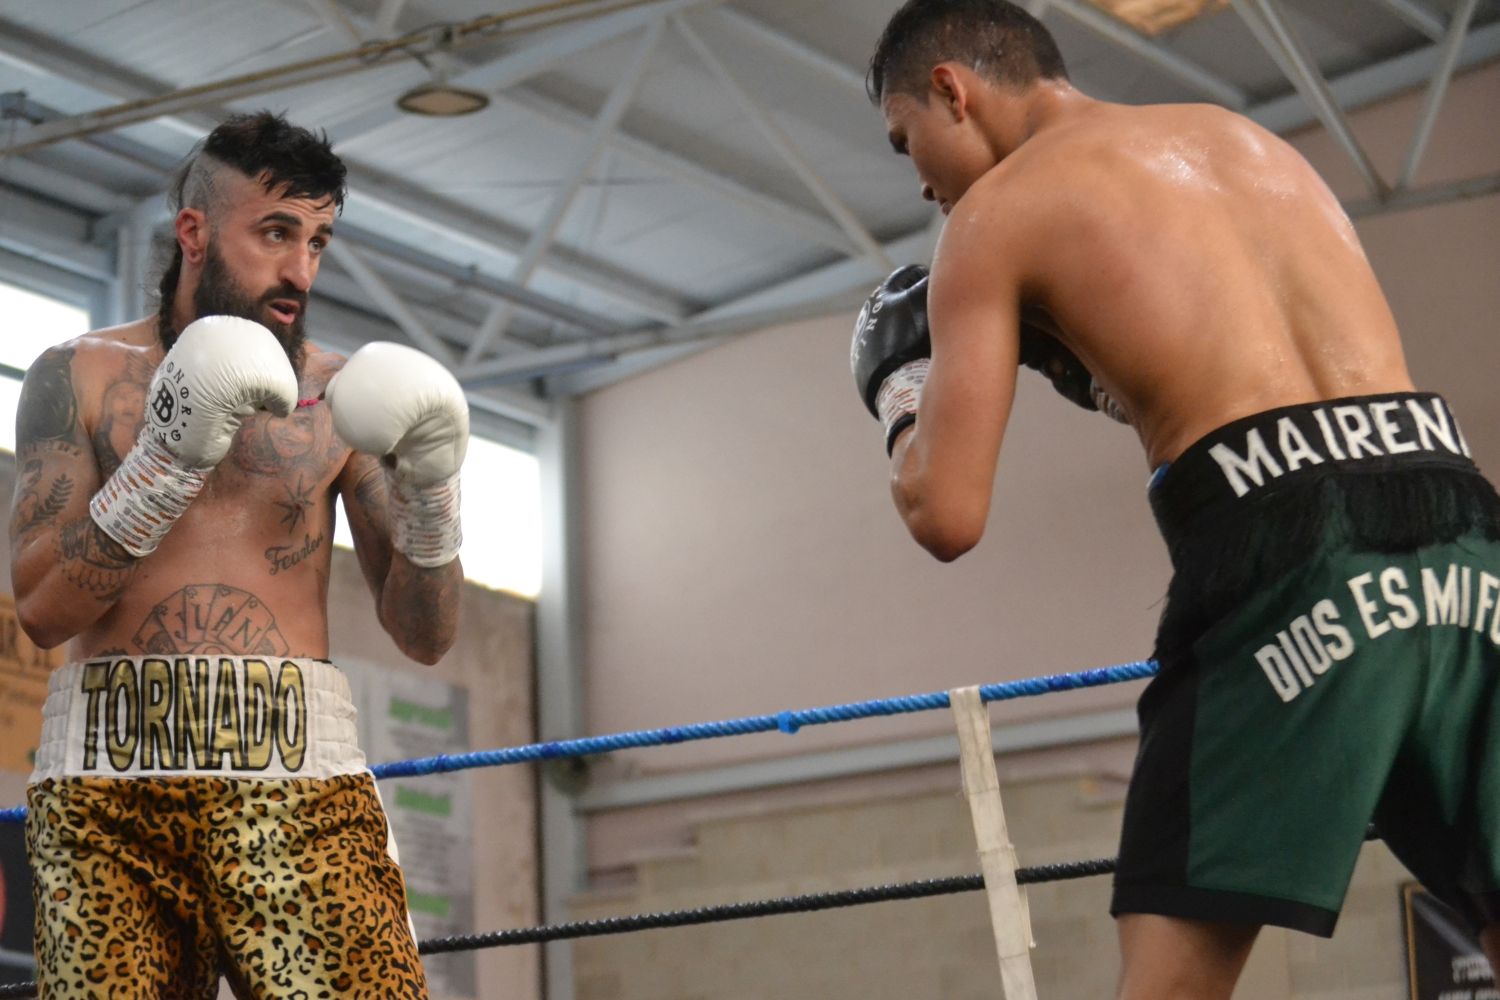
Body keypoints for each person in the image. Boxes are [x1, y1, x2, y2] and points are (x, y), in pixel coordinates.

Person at [849, 2, 1500, 996]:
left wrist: (899, 391)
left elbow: (947, 514)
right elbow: (1266, 403)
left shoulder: (995, 215)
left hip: (1284, 564)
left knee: (1167, 981)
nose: (923, 181)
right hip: (1462, 534)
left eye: (907, 142)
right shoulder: (1242, 140)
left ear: (952, 88)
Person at [8, 111, 469, 998]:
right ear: (194, 232)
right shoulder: (80, 376)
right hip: (108, 789)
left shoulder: (345, 398)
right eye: (275, 233)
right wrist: (165, 462)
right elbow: (40, 612)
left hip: (294, 775)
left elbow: (427, 634)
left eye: (318, 240)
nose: (300, 268)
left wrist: (435, 493)